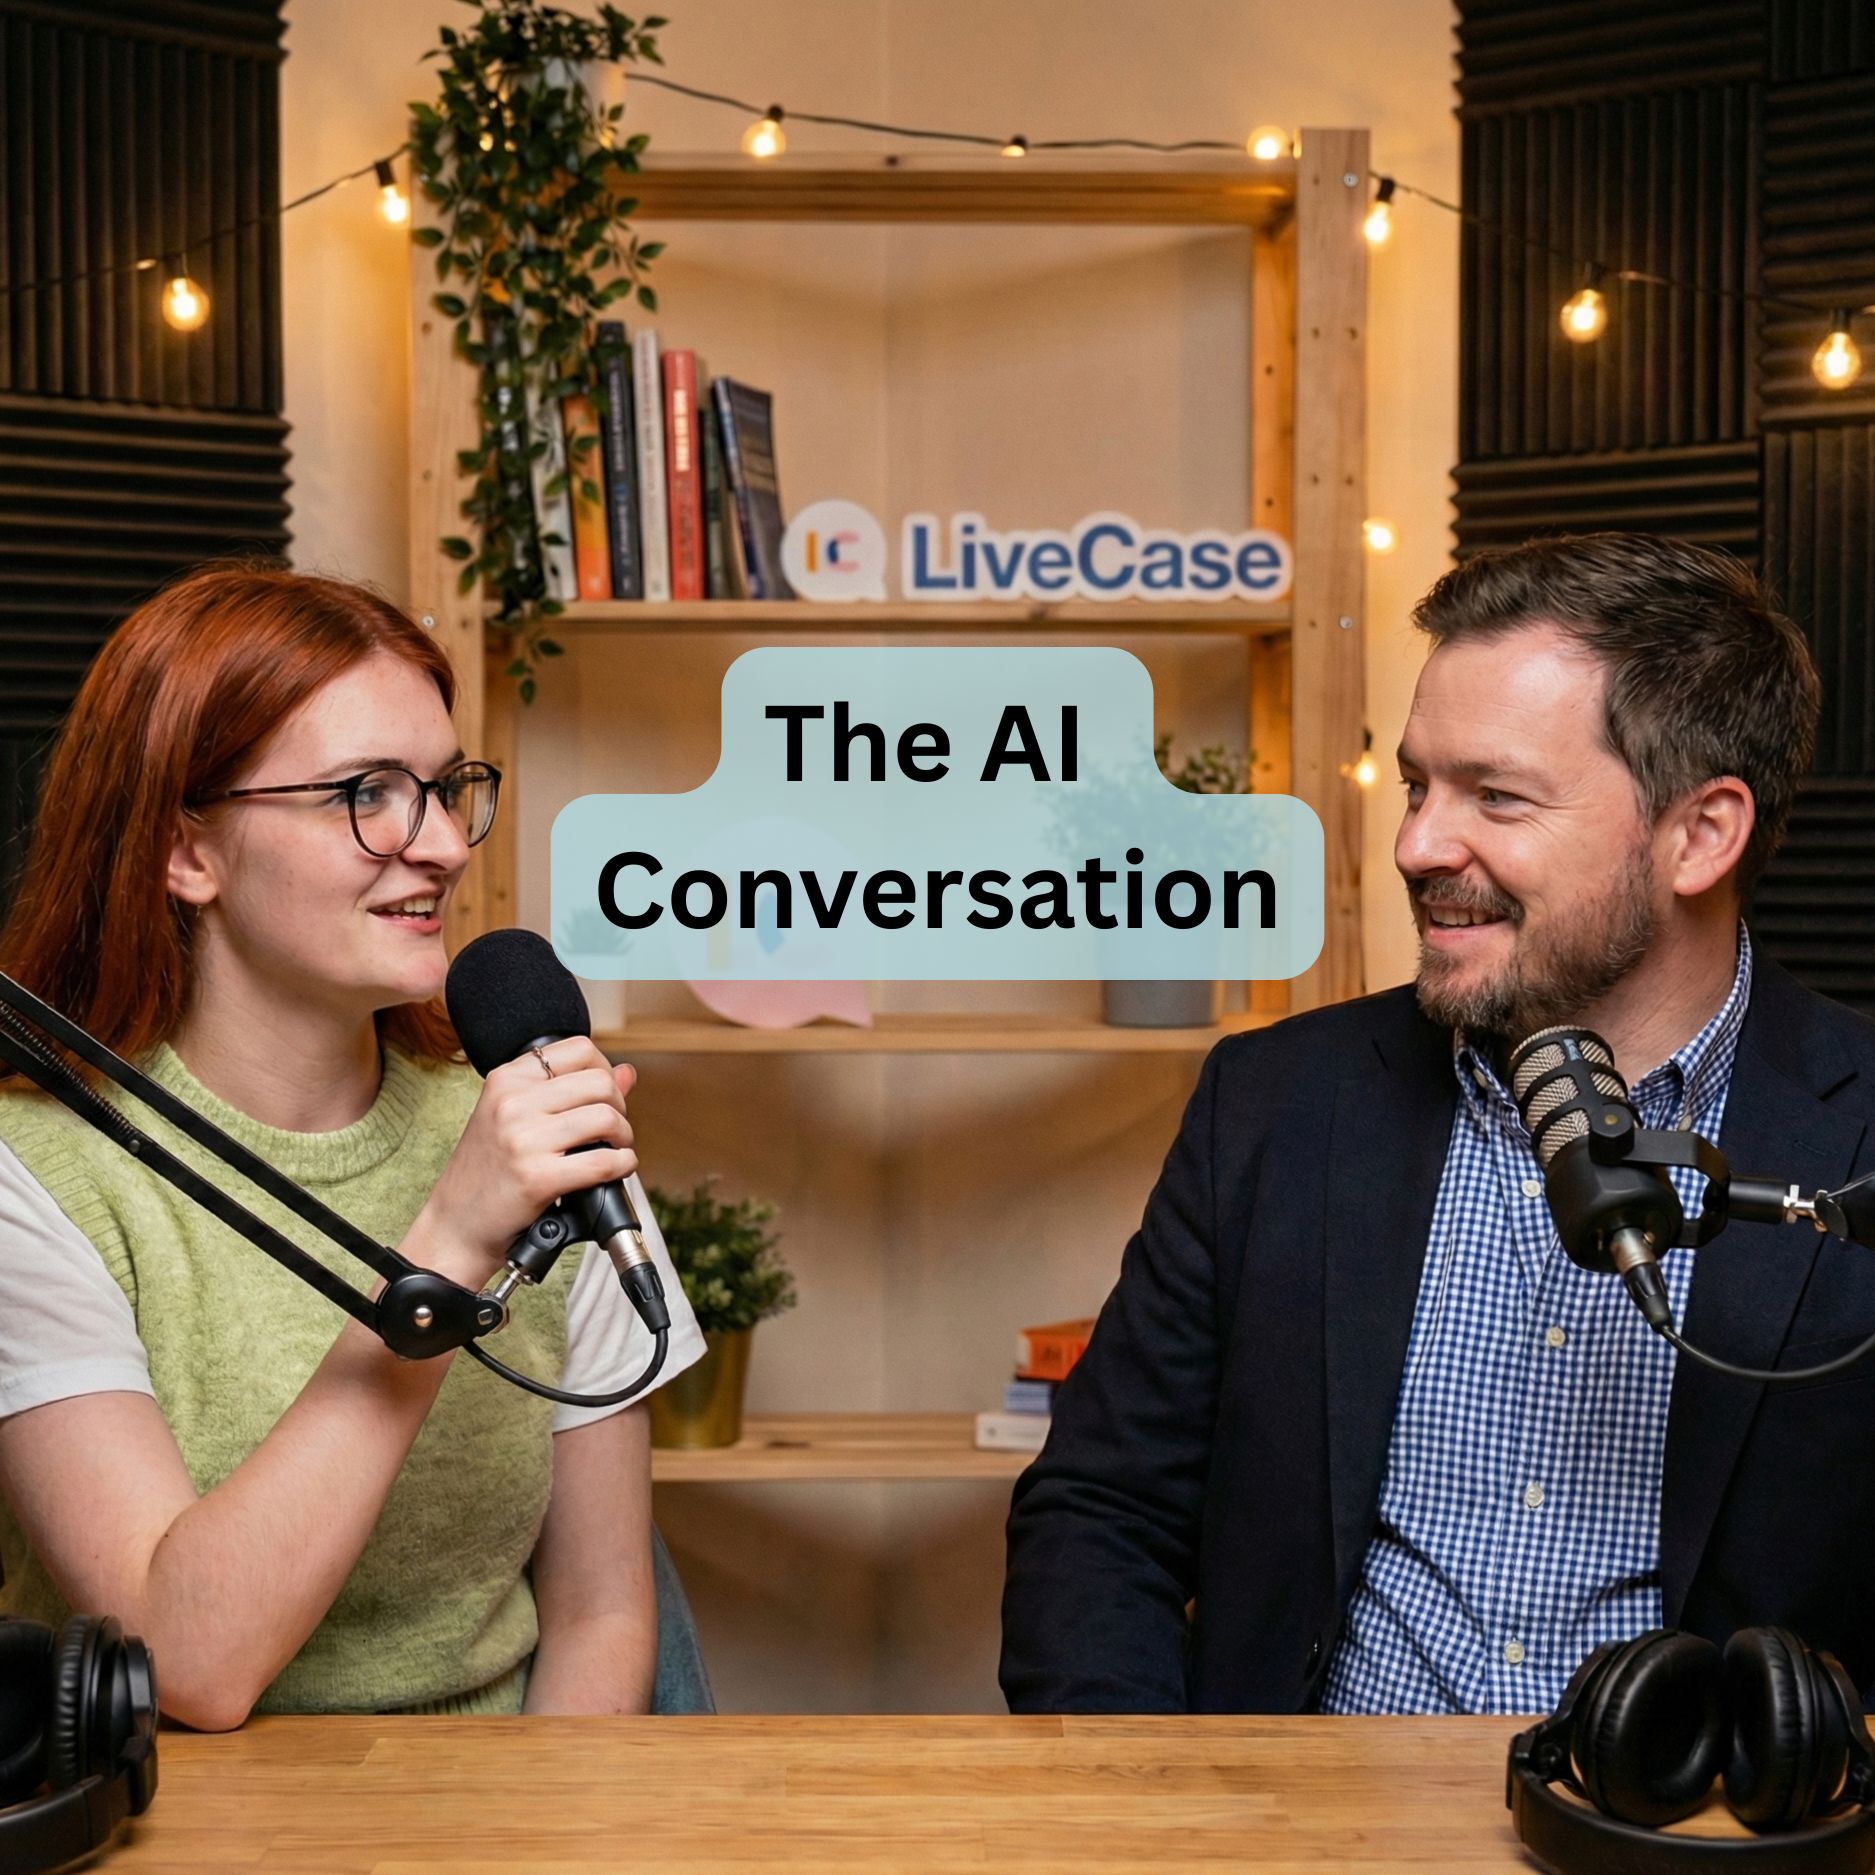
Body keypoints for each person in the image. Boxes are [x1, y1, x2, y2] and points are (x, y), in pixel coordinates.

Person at [1000, 530, 1875, 1715]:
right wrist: (1154, 1810)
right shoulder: (1272, 1104)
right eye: (1418, 784)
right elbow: (1102, 1510)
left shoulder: (1856, 1143)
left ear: (1700, 835)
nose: (1416, 845)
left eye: (1496, 797)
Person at [0, 566, 708, 1728]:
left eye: (443, 789)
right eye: (366, 792)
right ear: (190, 851)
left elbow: (603, 1618)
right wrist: (450, 1242)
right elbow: (188, 1664)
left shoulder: (530, 1124)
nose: (435, 845)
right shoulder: (38, 1174)